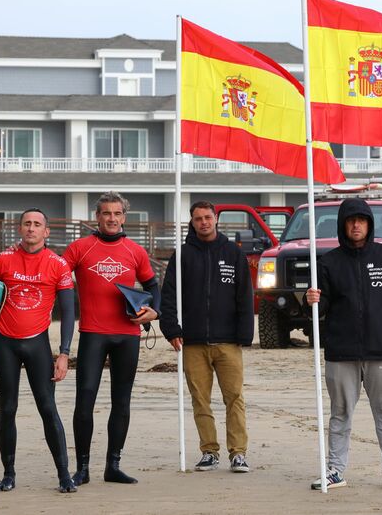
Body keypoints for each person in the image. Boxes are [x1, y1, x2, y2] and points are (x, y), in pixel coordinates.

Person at [304, 198, 382, 491]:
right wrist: (310, 301)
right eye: (350, 220)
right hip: (340, 352)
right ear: (343, 225)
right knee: (340, 412)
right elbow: (319, 311)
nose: (356, 225)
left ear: (369, 224)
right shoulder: (329, 263)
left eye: (361, 220)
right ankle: (334, 470)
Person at [62, 191, 161, 486]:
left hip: (128, 335)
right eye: (106, 213)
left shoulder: (134, 250)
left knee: (122, 402)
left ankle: (113, 466)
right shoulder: (80, 247)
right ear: (97, 217)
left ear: (124, 217)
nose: (112, 219)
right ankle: (82, 468)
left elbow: (153, 285)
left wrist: (153, 312)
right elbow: (55, 275)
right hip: (93, 333)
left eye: (117, 214)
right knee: (85, 401)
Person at [0, 208, 77, 493]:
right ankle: (8, 474)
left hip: (37, 343)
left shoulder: (58, 265)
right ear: (19, 228)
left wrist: (63, 353)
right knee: (8, 408)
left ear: (46, 232)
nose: (31, 228)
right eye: (27, 223)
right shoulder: (2, 260)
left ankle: (64, 475)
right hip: (4, 343)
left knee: (48, 408)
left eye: (37, 224)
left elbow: (68, 311)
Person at [160, 201, 254, 473]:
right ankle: (209, 451)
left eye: (208, 217)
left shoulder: (233, 254)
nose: (204, 222)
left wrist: (244, 334)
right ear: (192, 222)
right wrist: (171, 329)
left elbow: (244, 296)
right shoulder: (183, 255)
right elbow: (169, 296)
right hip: (193, 341)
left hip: (228, 342)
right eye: (198, 218)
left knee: (234, 397)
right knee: (200, 399)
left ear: (215, 219)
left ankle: (238, 453)